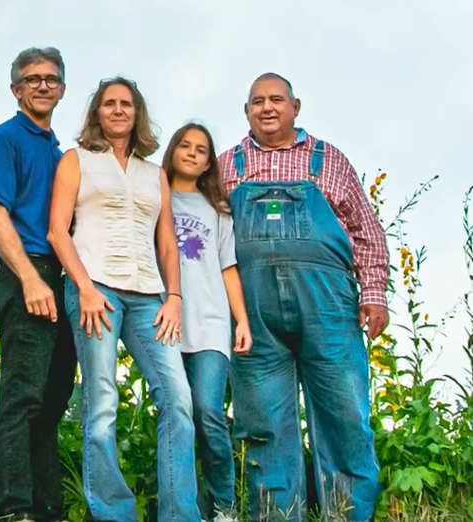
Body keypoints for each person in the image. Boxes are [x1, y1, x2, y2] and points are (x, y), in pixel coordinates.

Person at [218, 73, 388, 522]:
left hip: (328, 306)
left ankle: (347, 513)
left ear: (296, 106)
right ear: (246, 110)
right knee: (264, 423)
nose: (267, 108)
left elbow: (366, 232)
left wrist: (374, 294)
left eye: (276, 99)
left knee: (345, 415)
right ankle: (277, 515)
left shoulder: (327, 160)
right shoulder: (225, 166)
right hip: (252, 315)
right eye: (258, 101)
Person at [47, 76, 200, 522]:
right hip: (95, 289)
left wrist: (174, 297)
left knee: (178, 398)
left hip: (150, 296)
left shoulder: (155, 174)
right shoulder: (76, 161)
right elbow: (58, 230)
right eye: (109, 104)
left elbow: (167, 242)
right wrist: (85, 288)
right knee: (103, 402)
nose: (118, 110)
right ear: (97, 112)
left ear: (137, 114)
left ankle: (179, 514)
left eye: (126, 104)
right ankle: (113, 513)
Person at [0, 47, 77, 522]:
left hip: (63, 278)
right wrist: (27, 279)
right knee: (21, 399)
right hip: (29, 272)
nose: (42, 85)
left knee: (52, 402)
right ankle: (13, 509)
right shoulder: (5, 140)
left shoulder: (57, 150)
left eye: (51, 79)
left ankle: (46, 508)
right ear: (16, 89)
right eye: (32, 79)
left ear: (61, 88)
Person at [162, 122, 252, 522]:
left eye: (202, 149)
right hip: (166, 322)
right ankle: (184, 507)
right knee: (175, 414)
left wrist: (242, 321)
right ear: (172, 151)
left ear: (208, 163)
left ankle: (224, 505)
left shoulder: (216, 209)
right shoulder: (154, 196)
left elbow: (228, 267)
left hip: (212, 323)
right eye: (185, 145)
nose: (193, 153)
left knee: (208, 411)